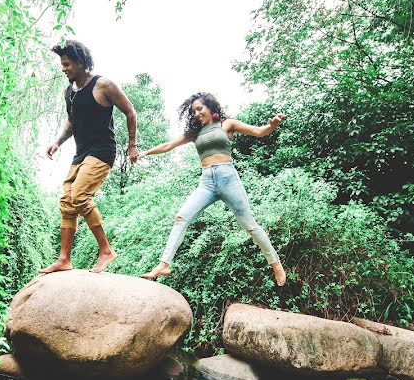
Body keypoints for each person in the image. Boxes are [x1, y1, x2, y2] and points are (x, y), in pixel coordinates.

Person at [140, 92, 287, 285]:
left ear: (210, 107)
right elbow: (169, 145)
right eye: (193, 111)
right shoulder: (194, 134)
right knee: (181, 217)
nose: (197, 113)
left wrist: (272, 125)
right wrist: (145, 153)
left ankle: (275, 263)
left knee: (250, 225)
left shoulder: (227, 124)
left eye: (199, 108)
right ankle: (164, 264)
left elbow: (260, 131)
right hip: (207, 182)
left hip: (228, 179)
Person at [40, 40, 139, 274]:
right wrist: (57, 142)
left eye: (67, 64)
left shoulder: (103, 85)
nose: (63, 69)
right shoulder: (70, 92)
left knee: (80, 195)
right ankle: (64, 259)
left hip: (102, 151)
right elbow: (72, 122)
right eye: (62, 65)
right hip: (81, 153)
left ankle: (106, 250)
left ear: (81, 63)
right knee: (67, 202)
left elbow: (130, 111)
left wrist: (132, 145)